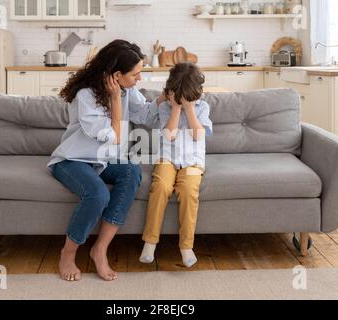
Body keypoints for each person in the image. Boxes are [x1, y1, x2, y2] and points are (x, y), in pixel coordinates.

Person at [47, 39, 166, 281]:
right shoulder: (86, 96)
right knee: (98, 194)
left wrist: (164, 98)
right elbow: (115, 137)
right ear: (116, 75)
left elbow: (143, 114)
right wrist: (114, 99)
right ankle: (67, 254)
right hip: (72, 160)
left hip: (102, 161)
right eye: (136, 74)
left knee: (131, 172)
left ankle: (99, 249)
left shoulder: (127, 89)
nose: (139, 79)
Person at [139, 62, 213, 268]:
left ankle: (186, 246)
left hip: (192, 162)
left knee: (189, 190)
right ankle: (150, 242)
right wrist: (176, 108)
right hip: (167, 159)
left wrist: (189, 109)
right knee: (161, 187)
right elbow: (169, 135)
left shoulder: (202, 107)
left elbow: (198, 135)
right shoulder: (165, 107)